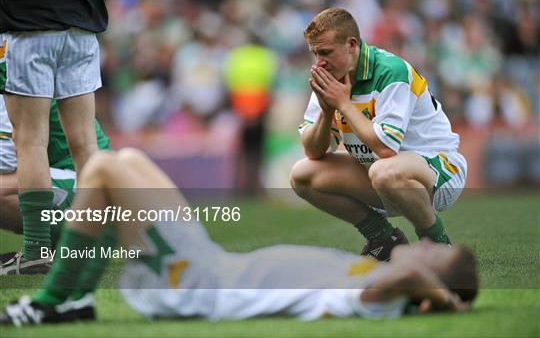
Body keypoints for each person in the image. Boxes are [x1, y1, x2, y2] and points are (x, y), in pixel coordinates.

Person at [0, 148, 477, 325]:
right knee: (126, 160)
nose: (429, 245)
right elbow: (412, 276)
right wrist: (439, 289)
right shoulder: (378, 279)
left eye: (438, 255)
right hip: (211, 263)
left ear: (426, 285)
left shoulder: (378, 299)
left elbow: (407, 282)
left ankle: (57, 300)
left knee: (104, 169)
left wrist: (446, 301)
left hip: (196, 283)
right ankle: (73, 301)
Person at [290, 8, 467, 261]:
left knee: (383, 171)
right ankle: (384, 238)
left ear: (352, 45)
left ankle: (438, 246)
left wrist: (343, 104)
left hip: (441, 172)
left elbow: (385, 148)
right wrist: (327, 112)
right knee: (301, 175)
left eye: (326, 52)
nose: (319, 62)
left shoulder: (390, 70)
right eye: (315, 53)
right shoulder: (330, 77)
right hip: (382, 176)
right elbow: (313, 150)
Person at [0, 0, 108, 268]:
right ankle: (89, 242)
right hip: (82, 26)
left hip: (29, 24)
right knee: (86, 144)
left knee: (30, 142)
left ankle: (36, 251)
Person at [0, 95, 111, 274]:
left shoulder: (11, 76)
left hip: (80, 178)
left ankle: (70, 241)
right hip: (89, 176)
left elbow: (5, 161)